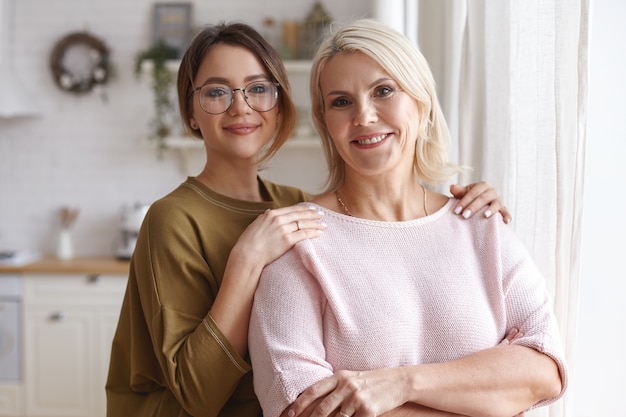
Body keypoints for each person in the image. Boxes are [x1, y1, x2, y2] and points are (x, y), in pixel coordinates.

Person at [105, 22, 513, 417]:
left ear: (281, 105)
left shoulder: (296, 207)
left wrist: (473, 210)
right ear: (191, 113)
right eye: (216, 93)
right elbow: (196, 396)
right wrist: (245, 262)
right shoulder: (172, 219)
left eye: (258, 89)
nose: (241, 107)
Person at [248, 19, 567, 417]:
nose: (363, 116)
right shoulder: (299, 243)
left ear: (422, 102)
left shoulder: (481, 224)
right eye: (341, 101)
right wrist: (485, 399)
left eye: (383, 91)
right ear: (326, 122)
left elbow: (546, 371)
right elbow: (304, 408)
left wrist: (399, 384)